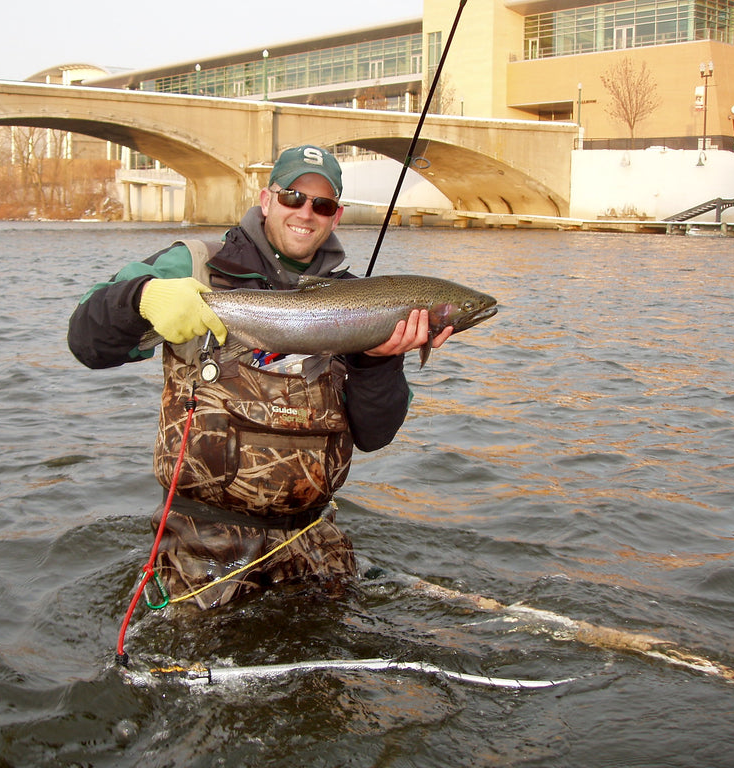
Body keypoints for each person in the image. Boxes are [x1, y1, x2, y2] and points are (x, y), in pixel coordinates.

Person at [68, 145, 452, 609]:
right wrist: (141, 298)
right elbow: (87, 342)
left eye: (322, 205)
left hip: (313, 541)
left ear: (335, 216)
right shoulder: (194, 265)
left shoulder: (358, 302)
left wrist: (379, 360)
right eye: (293, 196)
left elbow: (374, 435)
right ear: (267, 200)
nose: (306, 213)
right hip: (202, 545)